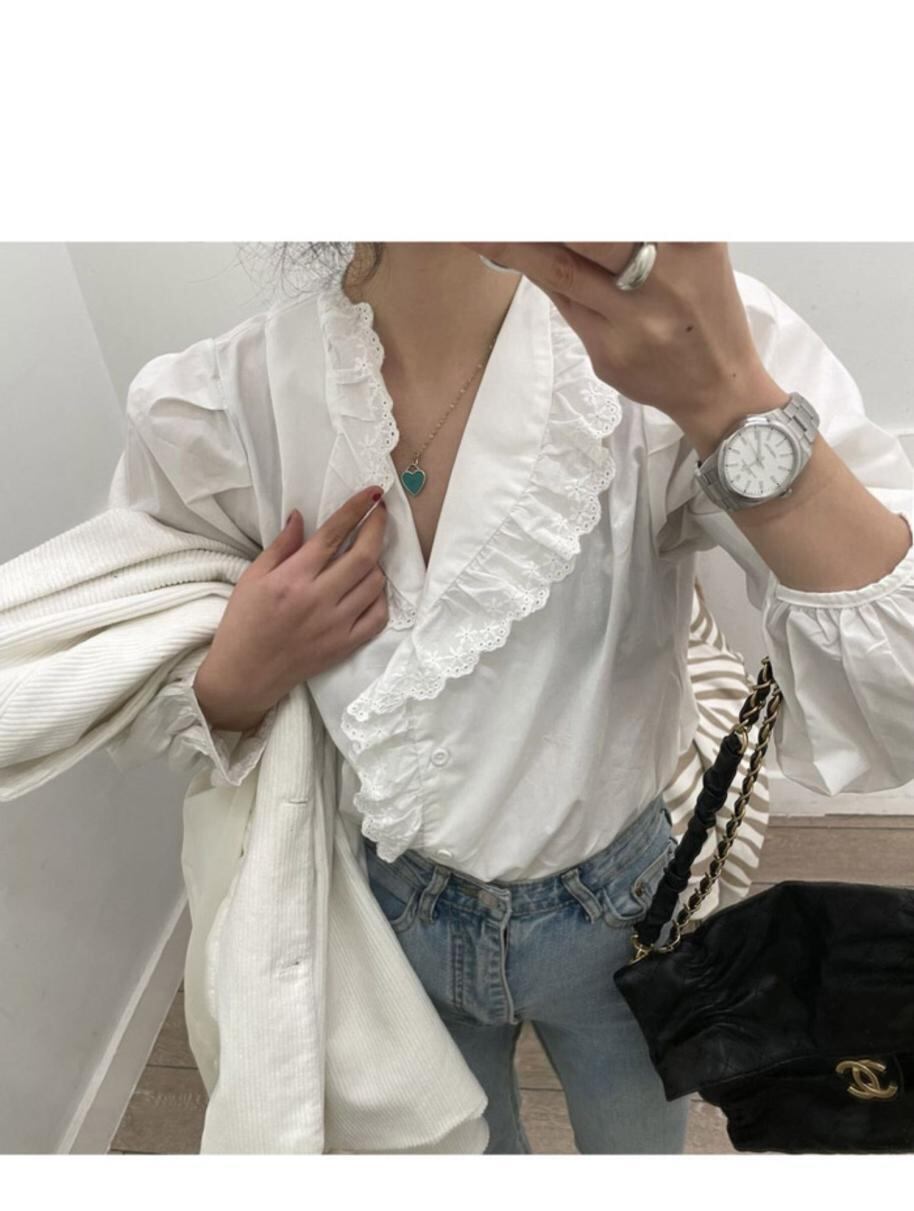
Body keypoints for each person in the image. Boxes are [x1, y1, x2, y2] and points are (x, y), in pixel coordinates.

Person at [7, 244, 914, 1155]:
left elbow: (894, 699)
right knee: (467, 1158)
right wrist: (240, 672)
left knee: (637, 1149)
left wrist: (725, 397)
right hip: (396, 915)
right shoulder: (224, 406)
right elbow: (129, 676)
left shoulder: (682, 342)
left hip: (620, 913)